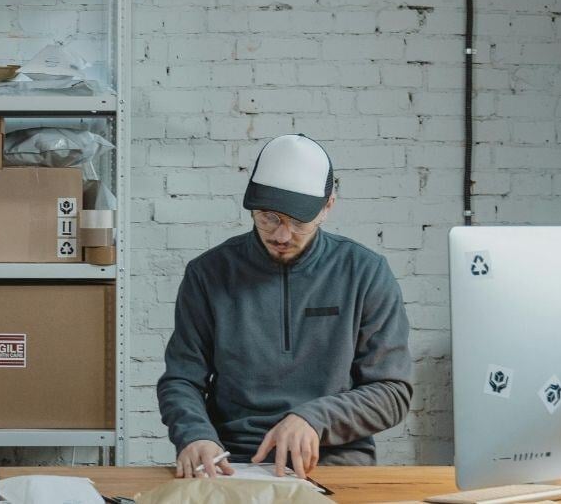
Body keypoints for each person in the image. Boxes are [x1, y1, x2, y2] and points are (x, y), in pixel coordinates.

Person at [157, 134, 412, 481]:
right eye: (268, 218)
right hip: (233, 462)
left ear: (327, 207)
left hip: (335, 462)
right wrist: (196, 435)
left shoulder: (365, 272)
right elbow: (181, 379)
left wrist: (315, 418)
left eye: (298, 222)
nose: (281, 235)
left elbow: (392, 392)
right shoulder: (208, 274)